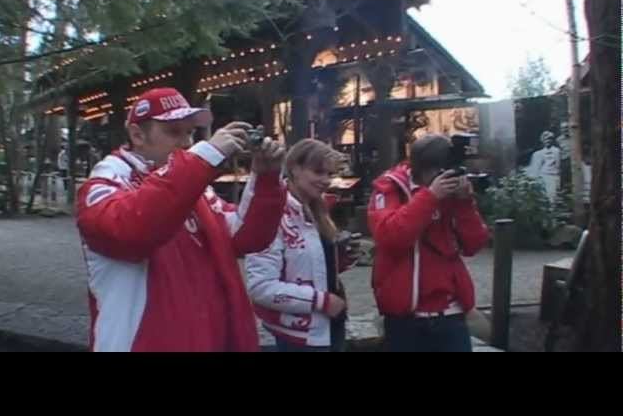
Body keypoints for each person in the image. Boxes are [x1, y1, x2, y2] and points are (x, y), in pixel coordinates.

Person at [76, 87, 286, 352]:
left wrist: (266, 179)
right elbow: (132, 231)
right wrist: (204, 157)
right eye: (174, 132)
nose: (186, 142)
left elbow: (244, 238)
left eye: (189, 132)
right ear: (137, 135)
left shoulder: (192, 186)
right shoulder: (105, 183)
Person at [368, 134, 489, 352]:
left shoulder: (450, 193)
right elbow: (389, 237)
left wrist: (464, 203)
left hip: (450, 313)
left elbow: (474, 244)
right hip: (405, 317)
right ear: (422, 168)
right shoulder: (391, 187)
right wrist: (430, 196)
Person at [245, 139, 358, 352]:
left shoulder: (318, 209)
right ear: (295, 169)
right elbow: (261, 287)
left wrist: (338, 260)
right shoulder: (272, 213)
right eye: (318, 172)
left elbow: (307, 264)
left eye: (330, 174)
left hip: (329, 327)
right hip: (298, 336)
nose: (326, 180)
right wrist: (322, 301)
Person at [527, 130, 561, 202]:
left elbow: (558, 165)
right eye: (545, 139)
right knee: (543, 196)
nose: (547, 141)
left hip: (553, 176)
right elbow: (536, 168)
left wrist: (557, 177)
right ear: (542, 141)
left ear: (552, 140)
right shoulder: (539, 153)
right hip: (543, 176)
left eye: (549, 139)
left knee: (553, 197)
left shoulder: (556, 151)